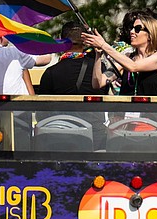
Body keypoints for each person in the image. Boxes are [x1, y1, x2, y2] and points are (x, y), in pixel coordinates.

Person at [82, 14, 157, 128]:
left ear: (150, 34)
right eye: (132, 28)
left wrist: (104, 45)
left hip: (148, 124)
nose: (132, 32)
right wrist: (98, 55)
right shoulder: (128, 57)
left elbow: (133, 66)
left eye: (138, 29)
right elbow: (97, 83)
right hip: (122, 124)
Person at [36, 21, 108, 149]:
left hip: (61, 137)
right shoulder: (99, 68)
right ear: (86, 41)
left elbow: (42, 113)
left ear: (62, 42)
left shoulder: (51, 72)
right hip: (95, 135)